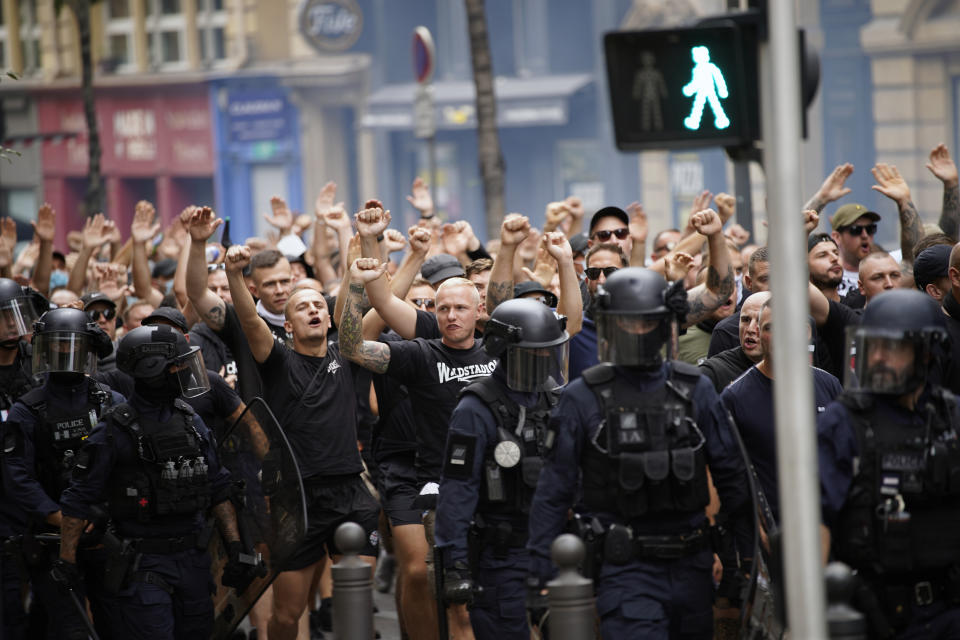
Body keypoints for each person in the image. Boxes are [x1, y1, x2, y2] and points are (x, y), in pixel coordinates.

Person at [527, 267, 751, 639]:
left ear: (662, 325)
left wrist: (739, 561)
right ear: (609, 327)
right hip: (623, 566)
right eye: (625, 323)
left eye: (645, 323)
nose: (635, 333)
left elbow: (732, 479)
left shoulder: (695, 389)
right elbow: (553, 492)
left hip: (692, 563)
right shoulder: (582, 397)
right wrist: (539, 577)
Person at [219, 242, 380, 640]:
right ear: (287, 326)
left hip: (350, 490)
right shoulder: (278, 361)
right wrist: (235, 276)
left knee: (355, 601)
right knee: (289, 613)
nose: (311, 310)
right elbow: (248, 319)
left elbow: (373, 304)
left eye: (317, 306)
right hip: (298, 497)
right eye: (300, 307)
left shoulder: (348, 352)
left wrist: (361, 262)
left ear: (328, 318)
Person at [55, 324, 252, 640]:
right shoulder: (114, 430)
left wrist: (235, 547)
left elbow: (218, 487)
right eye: (178, 365)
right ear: (153, 369)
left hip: (193, 560)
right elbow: (78, 500)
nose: (186, 371)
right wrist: (67, 562)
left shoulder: (191, 420)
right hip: (143, 563)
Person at [340, 253, 497, 639]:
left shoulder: (499, 352)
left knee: (499, 592)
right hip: (438, 485)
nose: (450, 315)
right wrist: (359, 284)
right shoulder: (421, 355)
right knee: (446, 594)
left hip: (495, 484)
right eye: (443, 309)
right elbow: (352, 347)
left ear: (480, 311)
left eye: (461, 307)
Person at [818, 289, 960, 638]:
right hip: (876, 614)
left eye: (892, 348)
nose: (878, 357)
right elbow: (817, 523)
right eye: (873, 346)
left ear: (926, 351)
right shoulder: (843, 423)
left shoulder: (952, 416)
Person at [435, 298, 569, 639]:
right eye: (533, 354)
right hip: (501, 553)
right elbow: (457, 488)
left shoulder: (555, 398)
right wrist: (455, 563)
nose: (543, 361)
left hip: (554, 547)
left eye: (547, 353)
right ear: (506, 352)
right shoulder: (475, 408)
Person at [1, 308, 120, 639]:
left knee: (116, 622)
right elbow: (18, 478)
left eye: (74, 346)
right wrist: (61, 518)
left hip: (105, 534)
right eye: (58, 346)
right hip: (51, 538)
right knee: (70, 628)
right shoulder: (28, 410)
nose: (66, 353)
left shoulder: (108, 399)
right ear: (44, 350)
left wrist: (106, 513)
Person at [720, 299, 841, 523]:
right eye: (769, 328)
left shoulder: (829, 385)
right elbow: (728, 476)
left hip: (826, 525)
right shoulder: (735, 397)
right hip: (771, 529)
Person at [699, 291, 770, 393]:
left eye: (759, 321)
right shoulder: (713, 372)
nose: (750, 329)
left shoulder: (795, 369)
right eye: (746, 320)